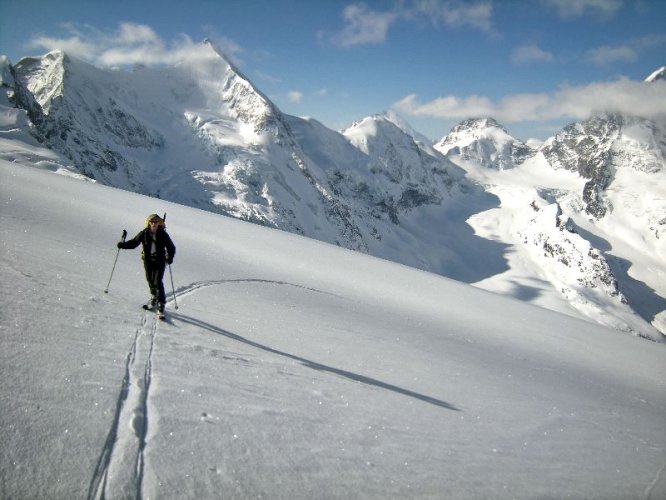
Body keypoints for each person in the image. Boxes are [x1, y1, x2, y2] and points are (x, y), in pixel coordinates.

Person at [117, 213, 176, 314]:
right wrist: (123, 245)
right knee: (150, 279)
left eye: (156, 222)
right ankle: (154, 297)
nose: (153, 224)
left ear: (159, 223)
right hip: (147, 260)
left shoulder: (163, 234)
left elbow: (171, 248)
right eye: (152, 222)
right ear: (148, 223)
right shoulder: (144, 233)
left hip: (160, 261)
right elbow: (134, 243)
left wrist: (169, 257)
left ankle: (161, 303)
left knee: (157, 281)